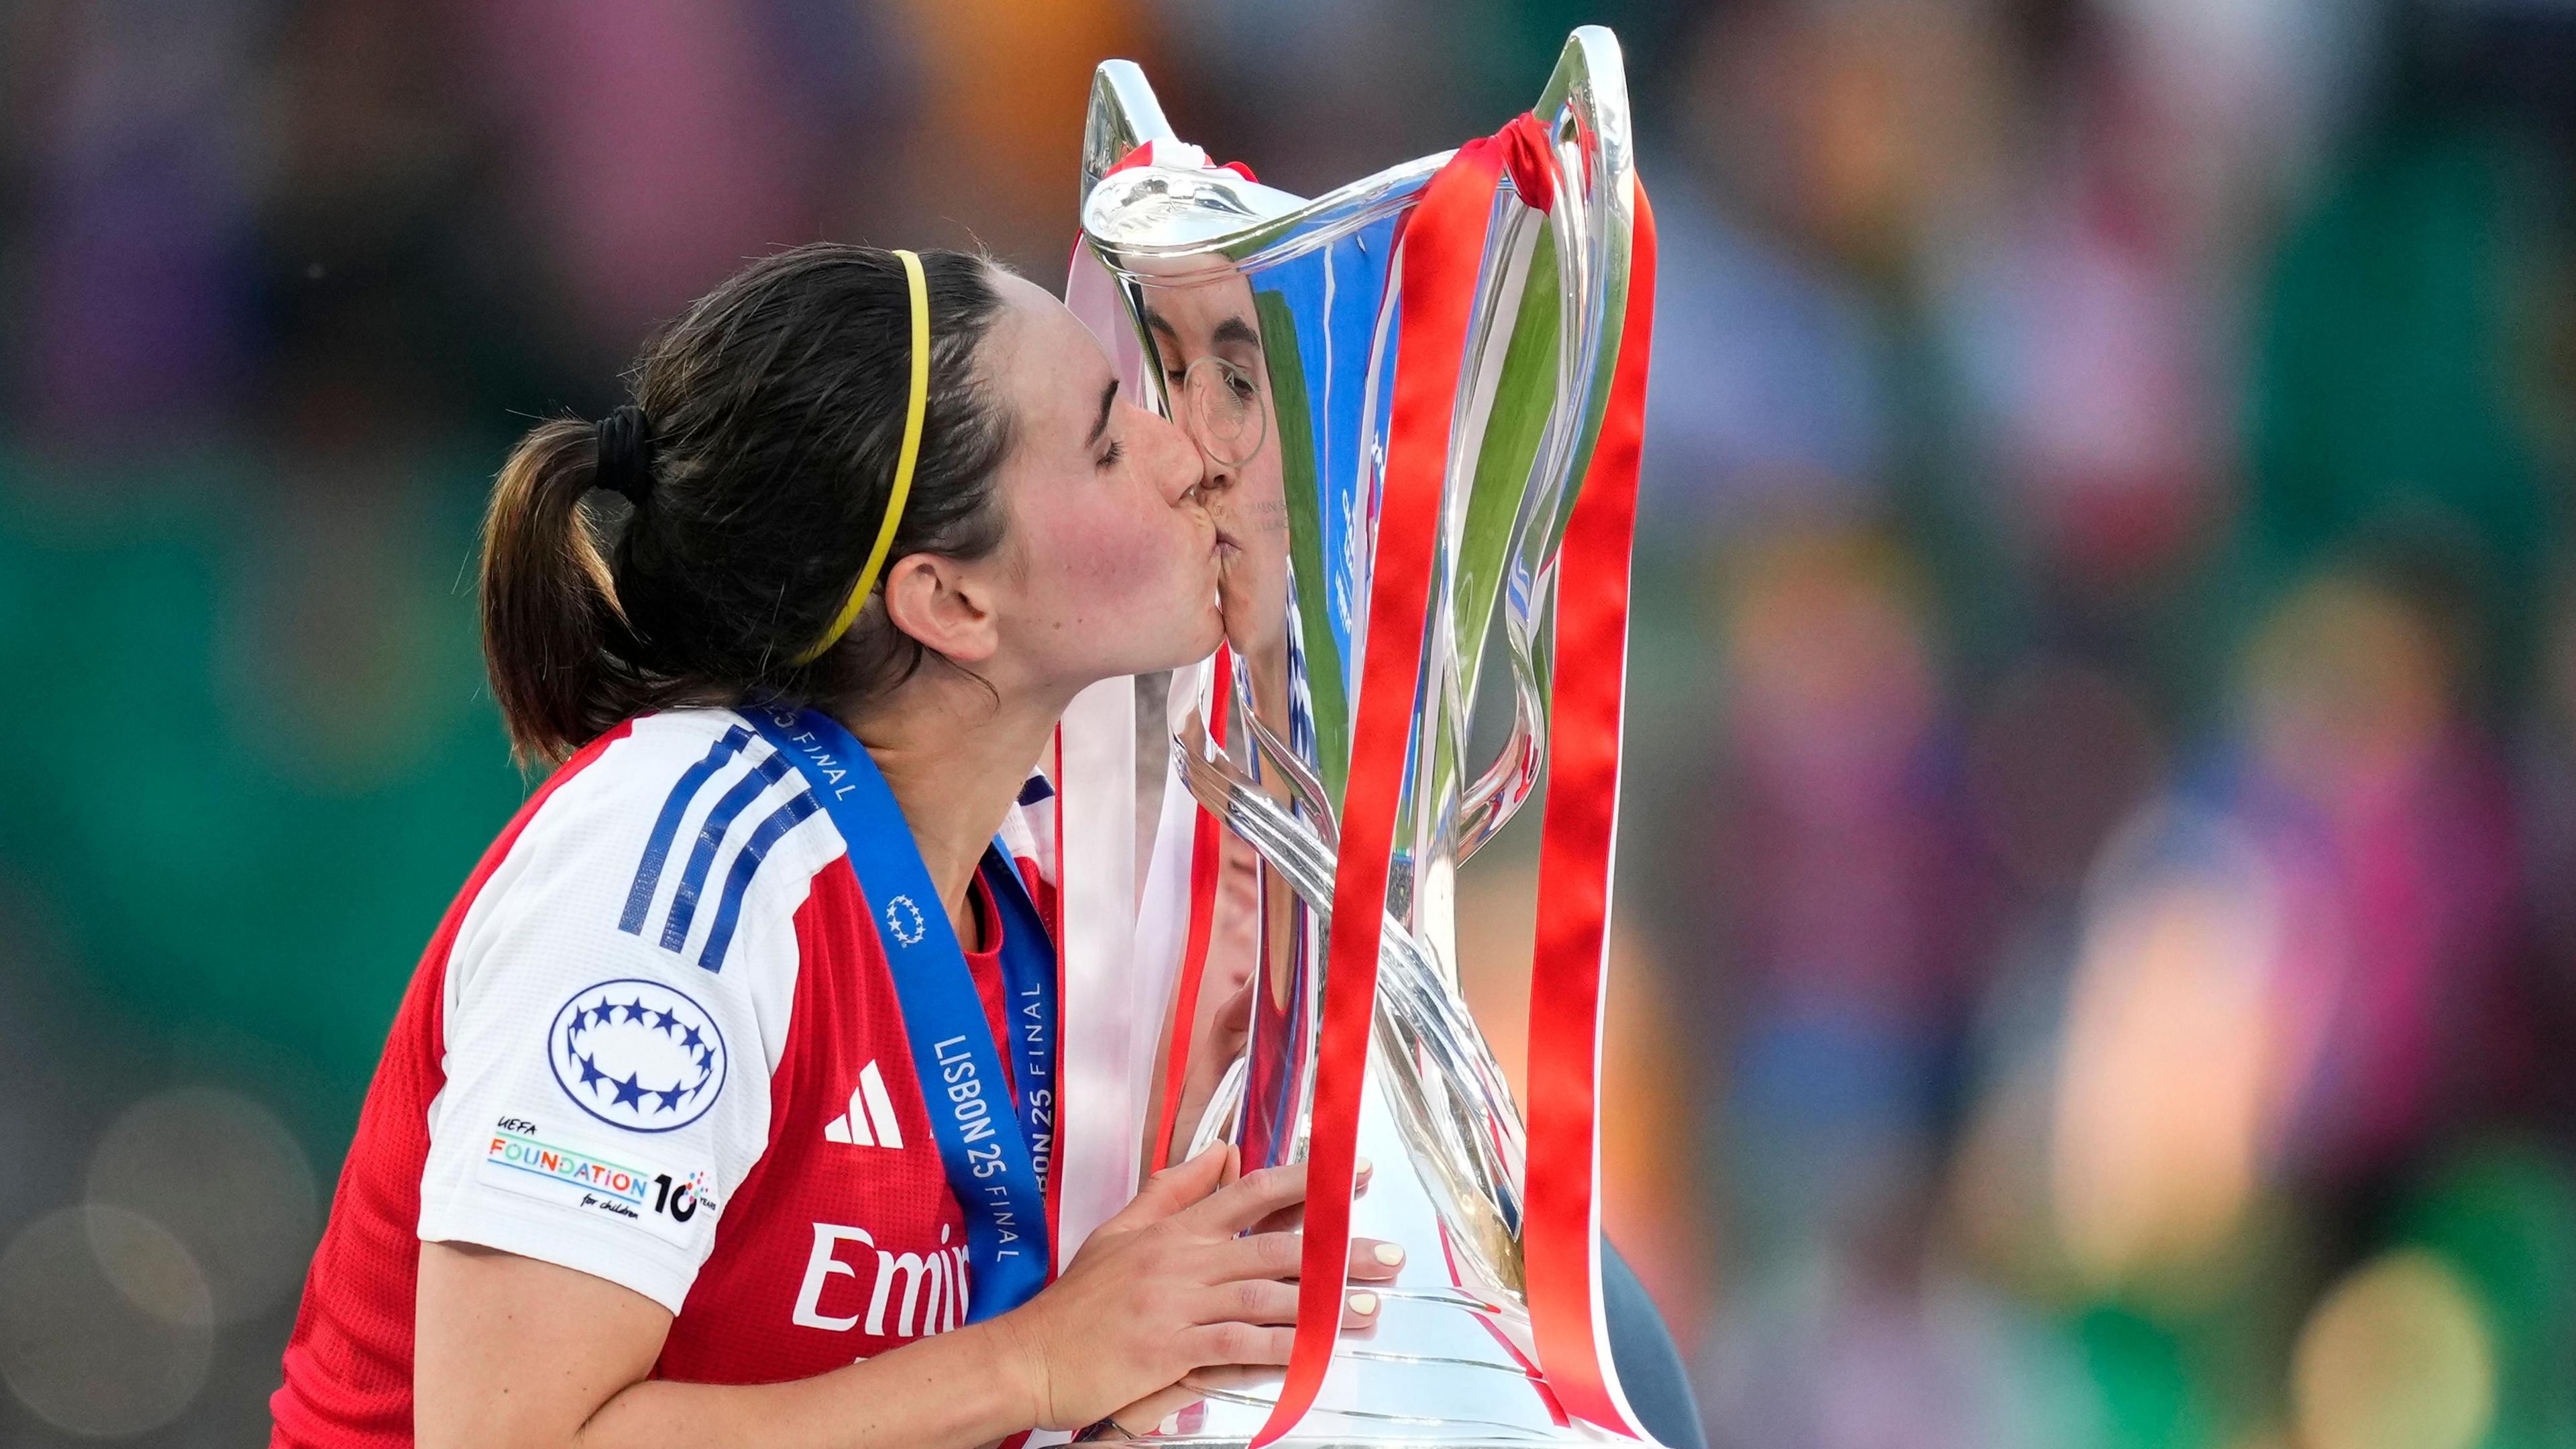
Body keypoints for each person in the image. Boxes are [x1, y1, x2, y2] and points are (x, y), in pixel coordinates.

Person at [268, 243, 1403, 1448]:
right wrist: (1041, 1363)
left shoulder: (1030, 885)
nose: (1189, 461)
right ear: (951, 602)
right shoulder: (676, 861)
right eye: (1113, 442)